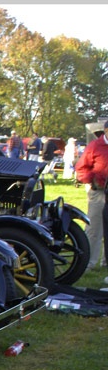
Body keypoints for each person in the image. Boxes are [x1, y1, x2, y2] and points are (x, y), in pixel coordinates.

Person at [74, 119, 108, 278]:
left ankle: (105, 261)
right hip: (99, 191)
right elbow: (81, 168)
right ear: (106, 131)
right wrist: (92, 180)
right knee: (94, 228)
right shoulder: (95, 146)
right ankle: (88, 262)